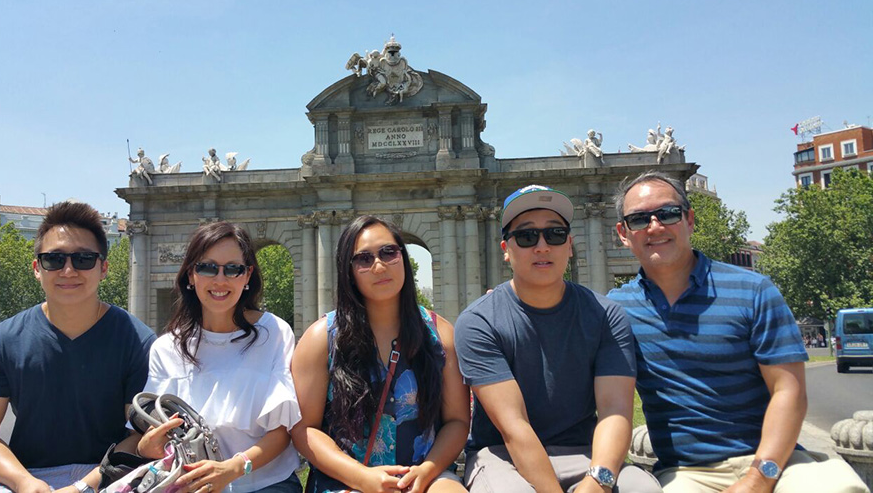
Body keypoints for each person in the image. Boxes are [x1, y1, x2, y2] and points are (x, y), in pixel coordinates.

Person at [607, 171, 869, 493]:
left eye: (668, 213)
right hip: (687, 473)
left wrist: (760, 478)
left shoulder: (754, 291)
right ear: (623, 233)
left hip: (777, 460)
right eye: (639, 219)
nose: (655, 226)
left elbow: (789, 393)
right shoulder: (615, 311)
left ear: (689, 220)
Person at [454, 185, 661, 493]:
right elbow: (514, 428)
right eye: (526, 237)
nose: (542, 246)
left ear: (570, 245)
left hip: (586, 453)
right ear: (506, 250)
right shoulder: (478, 321)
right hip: (503, 455)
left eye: (555, 235)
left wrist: (598, 483)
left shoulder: (607, 314)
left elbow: (615, 412)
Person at [0, 201, 156, 493]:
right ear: (37, 268)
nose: (68, 270)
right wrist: (24, 482)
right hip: (26, 474)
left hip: (110, 475)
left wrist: (82, 487)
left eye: (83, 259)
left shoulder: (138, 341)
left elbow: (141, 434)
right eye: (54, 259)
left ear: (103, 268)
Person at [291, 215, 469, 493]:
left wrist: (427, 470)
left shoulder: (440, 334)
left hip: (425, 474)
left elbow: (457, 420)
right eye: (363, 259)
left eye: (389, 252)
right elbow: (305, 429)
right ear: (347, 270)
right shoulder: (320, 339)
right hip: (346, 480)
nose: (379, 265)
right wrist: (362, 478)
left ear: (403, 258)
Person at [129, 221, 302, 493]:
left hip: (266, 485)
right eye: (208, 267)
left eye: (233, 269)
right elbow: (149, 435)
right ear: (190, 274)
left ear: (247, 276)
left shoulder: (276, 333)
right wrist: (146, 446)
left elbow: (282, 433)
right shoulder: (165, 348)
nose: (220, 280)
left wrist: (233, 468)